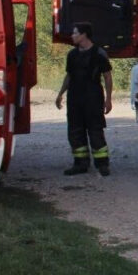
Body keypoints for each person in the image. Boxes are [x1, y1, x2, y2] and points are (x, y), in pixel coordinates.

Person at [55, 22, 114, 176]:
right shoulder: (72, 55)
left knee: (95, 130)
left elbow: (107, 77)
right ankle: (80, 164)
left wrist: (108, 99)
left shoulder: (99, 53)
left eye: (75, 33)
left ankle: (102, 164)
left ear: (84, 35)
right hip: (75, 98)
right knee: (75, 131)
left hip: (93, 98)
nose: (72, 36)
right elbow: (69, 76)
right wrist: (60, 94)